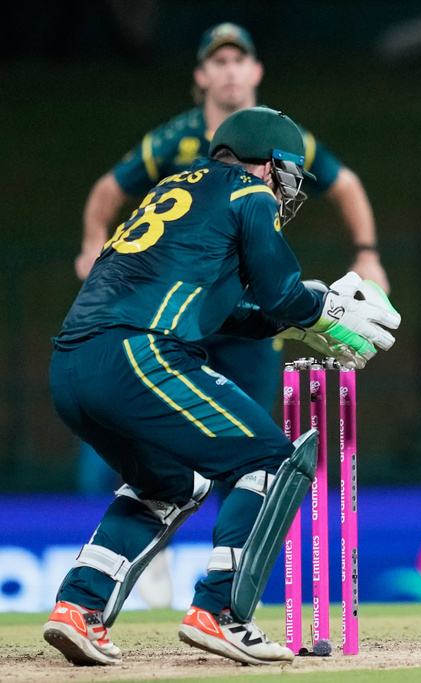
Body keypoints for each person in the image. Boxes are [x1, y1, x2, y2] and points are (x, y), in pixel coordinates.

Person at [43, 106, 401, 666]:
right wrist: (322, 308)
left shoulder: (180, 187)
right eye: (286, 174)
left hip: (70, 365)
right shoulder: (248, 194)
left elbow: (231, 310)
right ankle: (223, 613)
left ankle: (78, 609)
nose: (287, 191)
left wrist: (303, 314)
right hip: (140, 353)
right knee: (268, 458)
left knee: (168, 484)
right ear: (266, 164)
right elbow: (281, 293)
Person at [75, 21, 388, 417]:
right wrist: (92, 245)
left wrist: (367, 253)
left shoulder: (284, 137)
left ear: (256, 70)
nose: (230, 70)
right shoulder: (176, 138)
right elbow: (109, 188)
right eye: (219, 61)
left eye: (238, 60)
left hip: (248, 305)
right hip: (182, 307)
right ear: (201, 75)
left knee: (245, 426)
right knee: (172, 435)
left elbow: (345, 184)